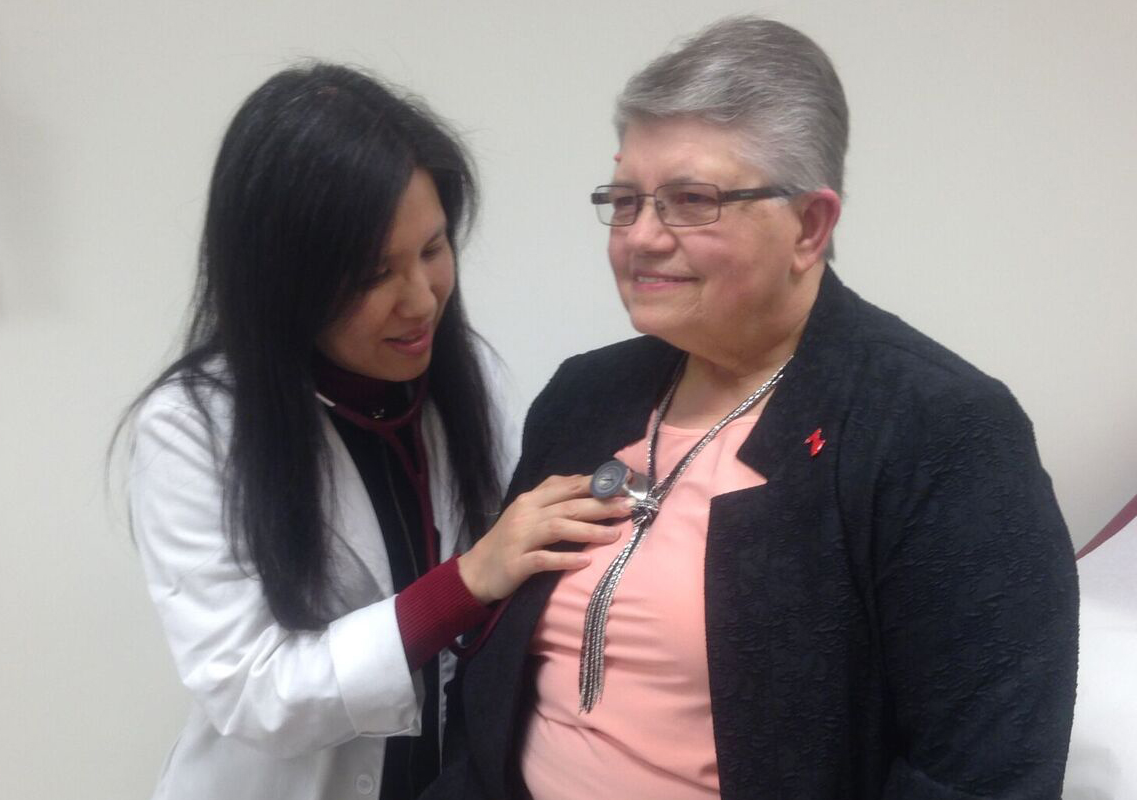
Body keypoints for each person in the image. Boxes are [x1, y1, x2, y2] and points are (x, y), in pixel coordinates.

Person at [426, 16, 1079, 800]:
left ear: (809, 225)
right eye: (626, 200)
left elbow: (982, 775)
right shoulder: (583, 397)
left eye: (691, 200)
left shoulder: (939, 431)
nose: (641, 237)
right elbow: (494, 684)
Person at [123, 64, 625, 800]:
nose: (422, 300)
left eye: (432, 249)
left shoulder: (464, 378)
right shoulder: (193, 429)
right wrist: (467, 582)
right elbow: (251, 691)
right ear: (280, 278)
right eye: (372, 274)